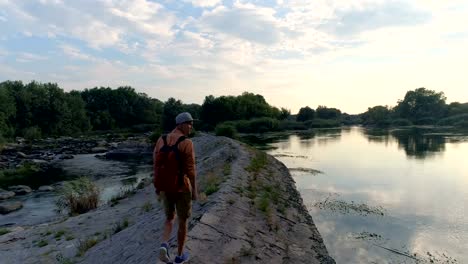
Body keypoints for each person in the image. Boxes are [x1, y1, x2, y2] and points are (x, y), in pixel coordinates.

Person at [153, 112, 198, 264]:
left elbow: (155, 164)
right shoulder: (187, 142)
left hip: (165, 186)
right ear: (180, 124)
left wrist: (158, 186)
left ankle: (164, 245)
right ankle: (179, 256)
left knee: (169, 218)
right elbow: (191, 171)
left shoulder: (161, 139)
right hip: (181, 187)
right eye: (189, 123)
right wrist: (195, 191)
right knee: (183, 221)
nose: (191, 126)